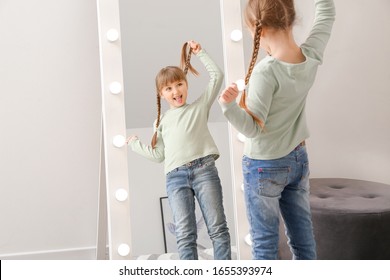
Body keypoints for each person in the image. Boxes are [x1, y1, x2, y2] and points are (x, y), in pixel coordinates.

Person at [218, 0, 335, 260]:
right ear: (291, 18)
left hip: (264, 167)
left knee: (265, 246)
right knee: (304, 242)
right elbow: (327, 12)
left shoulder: (266, 72)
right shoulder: (311, 55)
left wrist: (228, 106)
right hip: (298, 159)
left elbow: (253, 129)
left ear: (255, 27)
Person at [127, 40, 231, 260]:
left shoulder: (199, 107)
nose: (175, 91)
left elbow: (217, 76)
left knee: (218, 228)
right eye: (168, 88)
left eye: (179, 84)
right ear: (161, 94)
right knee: (184, 235)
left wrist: (200, 52)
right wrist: (134, 144)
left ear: (186, 84)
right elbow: (158, 155)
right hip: (175, 178)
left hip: (204, 170)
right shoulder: (161, 122)